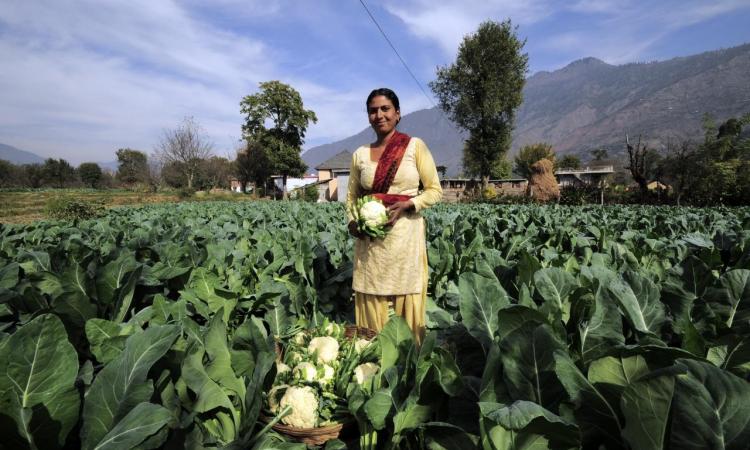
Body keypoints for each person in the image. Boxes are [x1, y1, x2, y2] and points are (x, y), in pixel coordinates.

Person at [346, 88, 442, 345]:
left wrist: (409, 204)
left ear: (397, 114)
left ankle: (409, 367)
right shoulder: (360, 155)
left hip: (405, 241)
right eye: (373, 110)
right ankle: (370, 367)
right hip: (371, 247)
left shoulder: (414, 146)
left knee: (405, 306)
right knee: (371, 305)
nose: (379, 115)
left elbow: (434, 190)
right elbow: (351, 199)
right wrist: (353, 223)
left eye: (385, 109)